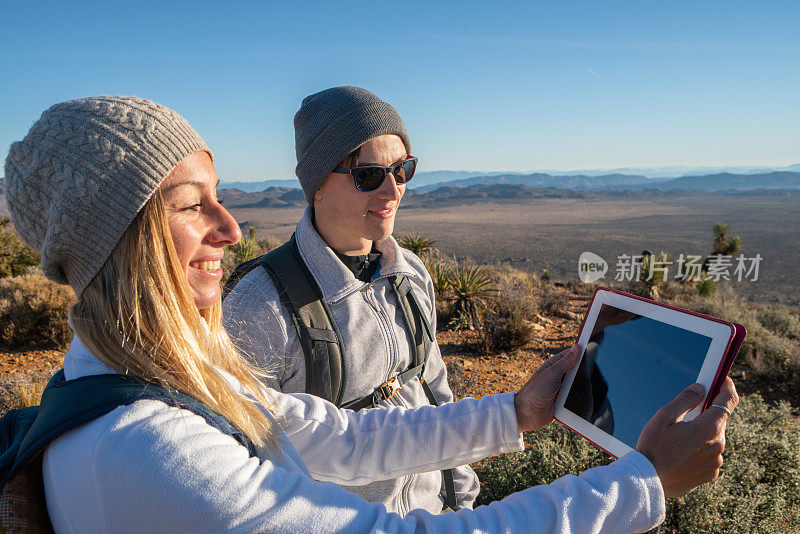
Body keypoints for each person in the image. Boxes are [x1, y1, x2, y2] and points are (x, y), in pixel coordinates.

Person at [4, 95, 737, 533]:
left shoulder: (172, 380)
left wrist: (515, 413)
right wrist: (643, 484)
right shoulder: (149, 449)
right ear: (121, 241)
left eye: (403, 170)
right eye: (194, 205)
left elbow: (342, 437)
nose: (230, 229)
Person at [222, 86, 481, 513]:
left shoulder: (410, 275)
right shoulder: (259, 307)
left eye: (402, 170)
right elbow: (237, 462)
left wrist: (461, 503)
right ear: (317, 185)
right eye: (368, 175)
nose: (392, 190)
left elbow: (435, 393)